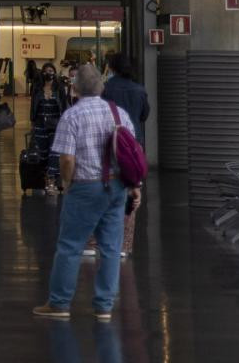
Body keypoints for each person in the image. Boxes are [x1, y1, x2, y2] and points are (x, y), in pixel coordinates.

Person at [35, 64, 136, 321]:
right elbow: (131, 154)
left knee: (70, 245)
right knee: (111, 248)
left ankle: (59, 304)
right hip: (116, 187)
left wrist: (67, 184)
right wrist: (135, 186)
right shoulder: (119, 114)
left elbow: (66, 159)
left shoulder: (72, 115)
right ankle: (104, 306)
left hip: (85, 186)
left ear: (75, 88)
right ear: (101, 87)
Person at [104, 54, 152, 256]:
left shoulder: (106, 89)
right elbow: (144, 115)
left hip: (110, 142)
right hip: (133, 144)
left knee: (111, 184)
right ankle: (124, 242)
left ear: (111, 68)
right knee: (131, 187)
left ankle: (106, 238)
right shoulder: (139, 89)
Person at [31, 62, 68, 193]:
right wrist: (33, 122)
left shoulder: (59, 88)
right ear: (42, 73)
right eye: (46, 70)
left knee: (54, 152)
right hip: (40, 123)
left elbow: (64, 105)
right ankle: (47, 177)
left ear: (55, 72)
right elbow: (33, 106)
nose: (49, 73)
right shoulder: (37, 88)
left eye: (51, 70)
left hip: (56, 124)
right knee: (43, 154)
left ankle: (52, 181)